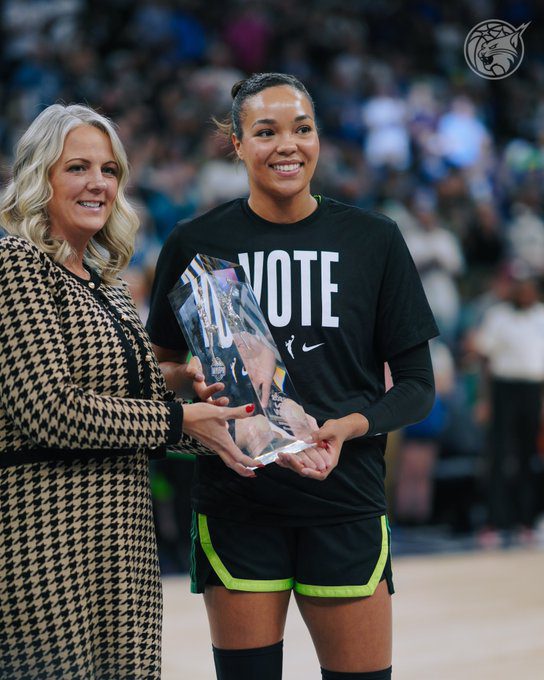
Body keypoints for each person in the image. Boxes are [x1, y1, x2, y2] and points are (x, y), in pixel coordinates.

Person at [147, 73, 439, 680]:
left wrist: (350, 426)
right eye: (266, 131)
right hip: (238, 502)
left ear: (318, 138)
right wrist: (189, 377)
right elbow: (159, 366)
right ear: (236, 143)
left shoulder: (375, 240)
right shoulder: (195, 242)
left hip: (346, 499)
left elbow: (416, 385)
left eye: (302, 129)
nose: (288, 145)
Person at [0, 103, 257, 680]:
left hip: (123, 537)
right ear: (39, 175)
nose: (98, 183)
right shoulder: (14, 265)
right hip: (42, 535)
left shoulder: (111, 288)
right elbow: (49, 408)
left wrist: (219, 406)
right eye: (78, 168)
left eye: (110, 169)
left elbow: (131, 399)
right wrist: (179, 421)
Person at [474, 272, 544, 547]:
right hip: (503, 389)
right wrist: (485, 399)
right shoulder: (497, 316)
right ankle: (494, 521)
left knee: (529, 456)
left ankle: (527, 521)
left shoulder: (541, 316)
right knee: (499, 455)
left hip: (533, 390)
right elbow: (484, 360)